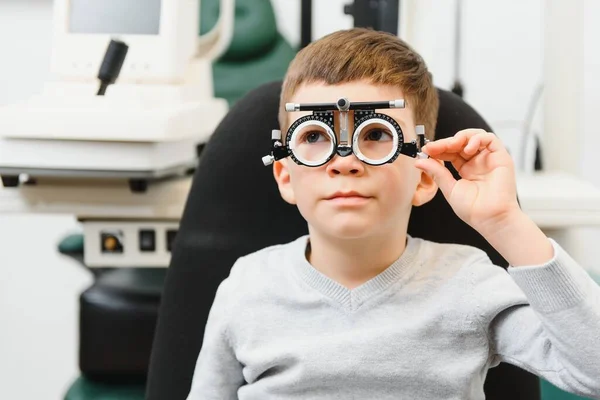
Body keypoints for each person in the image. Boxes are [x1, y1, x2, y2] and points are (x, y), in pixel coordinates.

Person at [186, 28, 600, 399]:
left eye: (376, 135)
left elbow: (593, 371)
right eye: (314, 134)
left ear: (423, 178)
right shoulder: (248, 287)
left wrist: (505, 222)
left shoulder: (469, 284)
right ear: (286, 176)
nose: (344, 161)